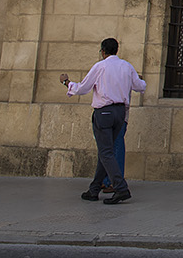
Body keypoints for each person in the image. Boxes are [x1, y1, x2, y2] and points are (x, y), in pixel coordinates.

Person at [60, 37, 146, 204]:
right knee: (105, 150)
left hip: (104, 112)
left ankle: (121, 188)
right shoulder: (127, 67)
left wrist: (66, 82)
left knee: (106, 152)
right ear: (116, 50)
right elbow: (140, 86)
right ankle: (94, 189)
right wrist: (138, 79)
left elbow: (83, 87)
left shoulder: (100, 66)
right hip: (120, 113)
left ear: (103, 51)